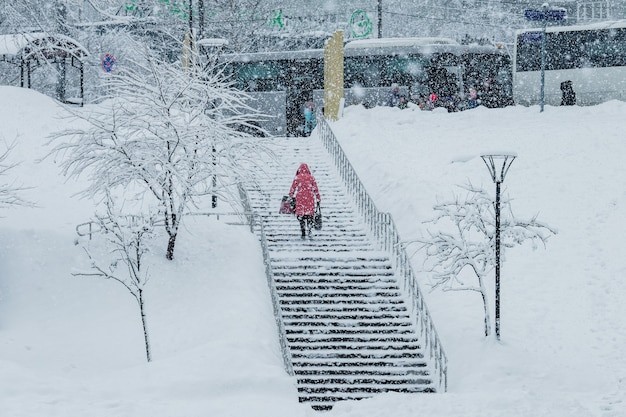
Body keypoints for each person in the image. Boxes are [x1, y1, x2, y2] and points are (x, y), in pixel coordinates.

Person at [289, 163, 321, 238]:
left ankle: (303, 232)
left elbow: (293, 188)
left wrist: (291, 195)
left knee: (301, 216)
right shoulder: (311, 177)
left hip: (300, 199)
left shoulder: (297, 177)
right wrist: (318, 198)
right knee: (309, 216)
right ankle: (309, 230)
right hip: (310, 198)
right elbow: (316, 189)